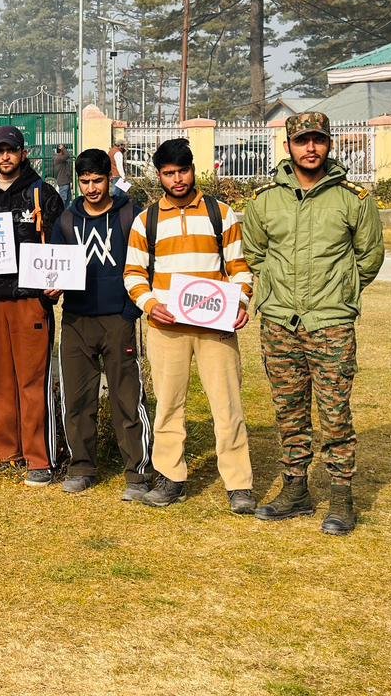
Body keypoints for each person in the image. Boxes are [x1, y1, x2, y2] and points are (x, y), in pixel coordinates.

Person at [243, 112, 385, 535]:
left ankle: (341, 497)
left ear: (329, 144)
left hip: (331, 324)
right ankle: (295, 490)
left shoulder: (353, 199)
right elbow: (255, 253)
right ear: (288, 145)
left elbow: (369, 256)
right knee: (289, 411)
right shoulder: (265, 200)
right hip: (279, 323)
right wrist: (276, 292)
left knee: (335, 413)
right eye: (302, 140)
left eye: (318, 140)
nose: (311, 148)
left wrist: (341, 291)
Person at [122, 138, 256, 514]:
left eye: (183, 171)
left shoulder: (221, 213)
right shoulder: (146, 220)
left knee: (227, 406)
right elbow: (133, 273)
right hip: (167, 327)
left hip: (216, 327)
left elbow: (239, 268)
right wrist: (151, 305)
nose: (177, 179)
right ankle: (170, 477)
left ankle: (239, 484)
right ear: (159, 176)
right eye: (169, 173)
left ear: (193, 170)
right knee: (168, 405)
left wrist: (240, 303)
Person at [0, 126, 64, 485]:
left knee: (32, 380)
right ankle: (3, 451)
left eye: (12, 150)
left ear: (23, 153)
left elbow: (61, 245)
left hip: (29, 301)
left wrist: (55, 283)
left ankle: (39, 458)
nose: (6, 157)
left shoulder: (42, 194)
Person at [48, 149, 152, 500]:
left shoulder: (130, 215)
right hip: (76, 319)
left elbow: (144, 263)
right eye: (84, 181)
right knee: (77, 399)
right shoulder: (66, 220)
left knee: (127, 398)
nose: (91, 188)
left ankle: (137, 472)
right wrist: (52, 289)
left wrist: (129, 312)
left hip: (117, 319)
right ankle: (81, 467)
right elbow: (54, 267)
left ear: (109, 178)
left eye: (97, 180)